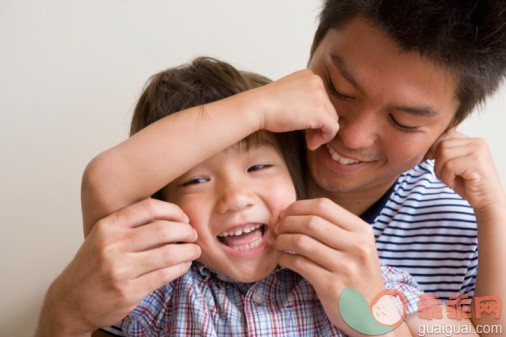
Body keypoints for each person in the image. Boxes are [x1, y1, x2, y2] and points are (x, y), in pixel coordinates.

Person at [36, 0, 506, 335]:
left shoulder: (414, 251)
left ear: (451, 125)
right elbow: (105, 183)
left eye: (403, 121)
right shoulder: (169, 281)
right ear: (312, 53)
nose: (352, 135)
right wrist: (258, 108)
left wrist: (494, 215)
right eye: (341, 89)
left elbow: (483, 330)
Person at [82, 56, 426, 336]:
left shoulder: (355, 273)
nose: (235, 197)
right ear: (161, 205)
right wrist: (260, 108)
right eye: (196, 180)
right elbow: (105, 182)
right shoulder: (158, 291)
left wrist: (369, 319)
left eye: (259, 167)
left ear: (295, 175)